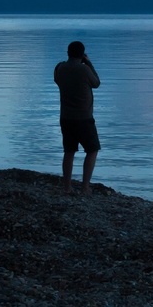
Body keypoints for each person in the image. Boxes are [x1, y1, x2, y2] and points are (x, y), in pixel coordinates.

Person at [54, 40, 100, 194]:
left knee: (69, 151)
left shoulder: (60, 68)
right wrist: (88, 63)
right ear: (82, 55)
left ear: (68, 53)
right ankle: (85, 187)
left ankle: (67, 187)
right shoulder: (84, 70)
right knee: (92, 150)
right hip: (84, 118)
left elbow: (56, 80)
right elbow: (96, 83)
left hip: (66, 117)